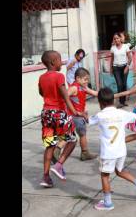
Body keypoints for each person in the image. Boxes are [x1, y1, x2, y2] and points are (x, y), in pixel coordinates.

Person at [89, 87, 136, 211]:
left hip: (108, 153)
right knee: (119, 171)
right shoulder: (121, 113)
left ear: (100, 103)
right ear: (113, 100)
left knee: (105, 175)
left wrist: (81, 114)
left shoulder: (100, 115)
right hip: (121, 152)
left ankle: (107, 203)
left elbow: (87, 120)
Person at [38, 50, 85, 188]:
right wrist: (75, 111)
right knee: (72, 140)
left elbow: (41, 92)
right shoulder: (59, 76)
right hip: (59, 113)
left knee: (50, 145)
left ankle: (46, 177)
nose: (62, 62)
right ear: (53, 62)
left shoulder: (41, 77)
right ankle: (58, 165)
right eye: (59, 59)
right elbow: (65, 96)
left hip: (46, 113)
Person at [110, 31, 132, 108]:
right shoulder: (112, 48)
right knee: (119, 84)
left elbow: (130, 58)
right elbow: (112, 59)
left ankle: (123, 101)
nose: (116, 40)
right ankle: (120, 102)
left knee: (124, 84)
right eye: (115, 39)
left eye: (117, 38)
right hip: (116, 68)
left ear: (120, 38)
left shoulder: (125, 46)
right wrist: (111, 69)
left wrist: (127, 67)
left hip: (124, 67)